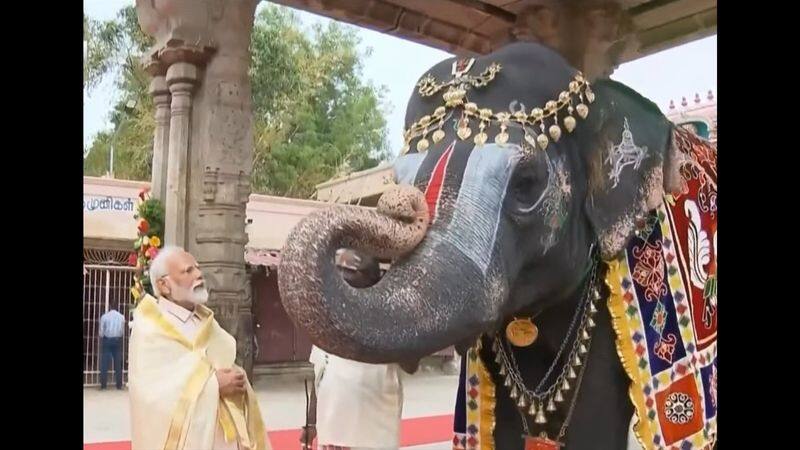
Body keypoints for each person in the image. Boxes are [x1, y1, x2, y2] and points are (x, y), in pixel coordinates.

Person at [129, 245, 269, 450]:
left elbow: (224, 362)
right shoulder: (150, 329)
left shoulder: (206, 321)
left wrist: (237, 379)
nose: (199, 275)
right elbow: (151, 396)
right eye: (188, 271)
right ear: (164, 285)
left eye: (197, 268)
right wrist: (213, 385)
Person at [300, 249, 404, 450]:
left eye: (350, 276)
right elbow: (319, 378)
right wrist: (311, 423)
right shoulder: (328, 323)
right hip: (333, 433)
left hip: (374, 436)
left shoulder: (390, 324)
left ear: (373, 282)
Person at [98, 301, 125, 390]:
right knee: (118, 363)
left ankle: (103, 386)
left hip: (107, 340)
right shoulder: (121, 317)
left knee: (104, 363)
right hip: (117, 341)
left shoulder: (104, 317)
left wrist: (103, 337)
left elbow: (101, 332)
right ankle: (119, 385)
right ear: (117, 307)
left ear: (109, 307)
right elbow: (122, 331)